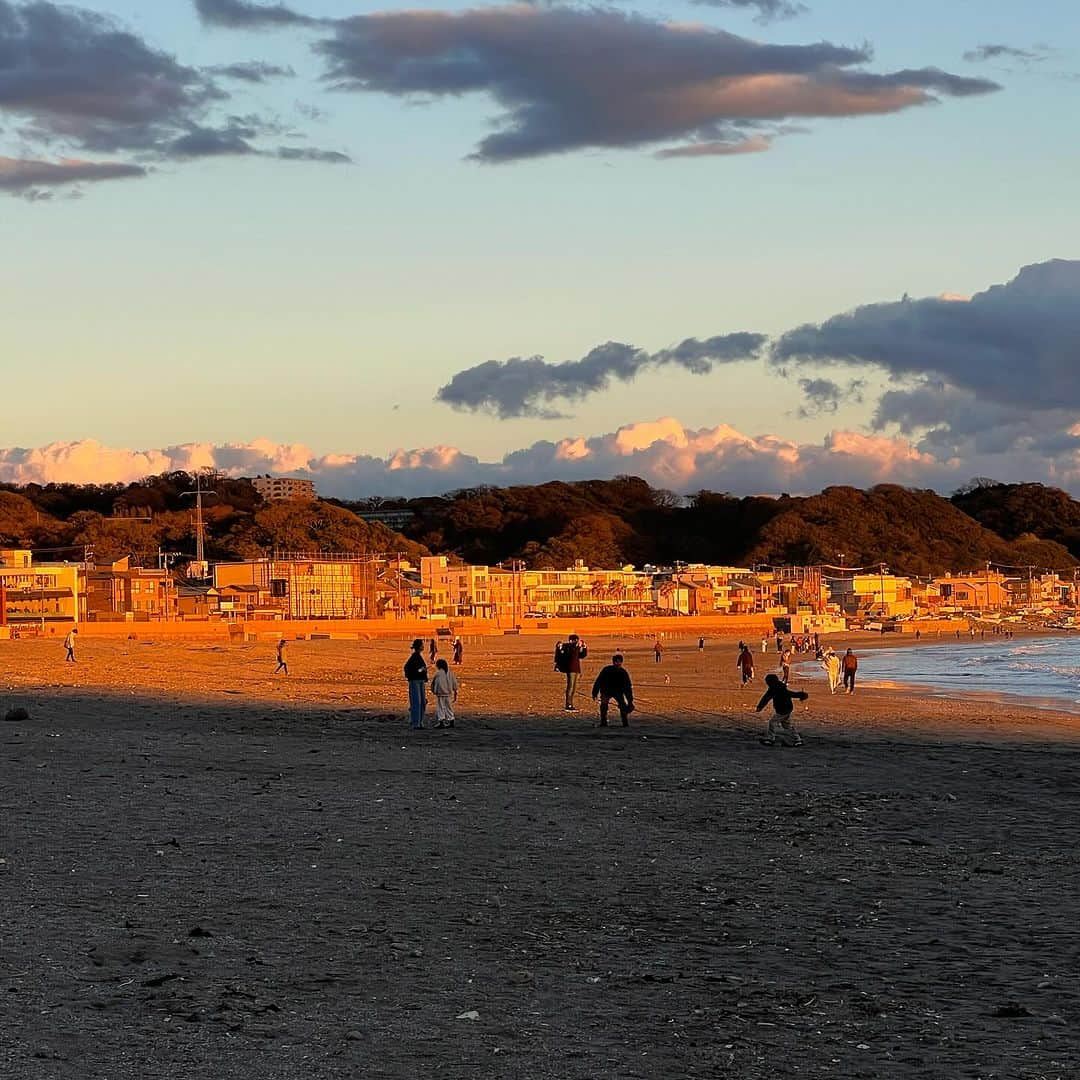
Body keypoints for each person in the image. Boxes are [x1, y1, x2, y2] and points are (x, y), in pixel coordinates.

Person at [756, 673, 808, 747]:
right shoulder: (781, 687)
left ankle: (771, 739)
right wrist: (802, 695)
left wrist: (760, 707)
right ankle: (797, 739)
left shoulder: (774, 689)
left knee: (772, 723)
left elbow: (766, 698)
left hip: (782, 711)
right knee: (787, 726)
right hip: (787, 709)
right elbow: (792, 694)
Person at [591, 653, 635, 727]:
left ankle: (625, 722)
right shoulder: (606, 670)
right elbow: (598, 681)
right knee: (604, 706)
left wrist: (630, 701)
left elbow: (627, 687)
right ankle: (603, 722)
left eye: (619, 662)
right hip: (606, 691)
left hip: (618, 692)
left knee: (622, 706)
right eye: (616, 662)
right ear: (613, 662)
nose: (617, 663)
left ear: (621, 662)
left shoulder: (623, 672)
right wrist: (594, 693)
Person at [404, 638, 429, 729]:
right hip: (415, 681)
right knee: (416, 702)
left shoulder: (418, 656)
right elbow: (408, 669)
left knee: (422, 702)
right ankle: (416, 724)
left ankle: (419, 722)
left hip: (420, 681)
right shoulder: (414, 657)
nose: (423, 646)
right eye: (422, 645)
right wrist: (420, 671)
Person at [556, 633, 584, 711]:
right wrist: (576, 647)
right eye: (575, 640)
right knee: (570, 687)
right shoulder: (568, 647)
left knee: (574, 687)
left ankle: (571, 703)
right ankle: (568, 704)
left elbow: (582, 655)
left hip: (576, 669)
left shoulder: (576, 647)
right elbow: (571, 654)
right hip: (570, 669)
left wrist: (584, 647)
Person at [431, 658, 460, 729]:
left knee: (440, 707)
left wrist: (434, 691)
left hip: (440, 693)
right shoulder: (450, 673)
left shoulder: (438, 673)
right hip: (448, 693)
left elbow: (435, 683)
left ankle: (441, 722)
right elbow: (454, 683)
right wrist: (455, 692)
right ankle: (451, 720)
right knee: (448, 707)